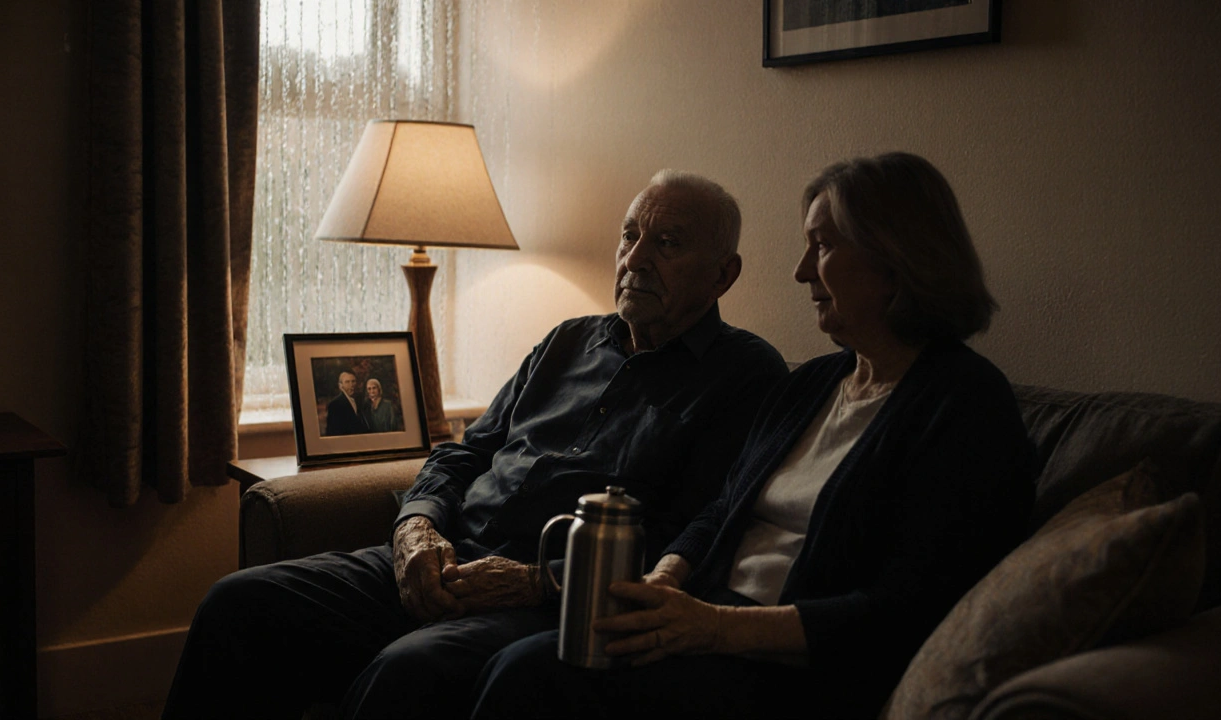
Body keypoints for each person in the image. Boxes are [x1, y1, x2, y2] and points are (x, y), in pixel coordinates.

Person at [162, 170, 788, 719]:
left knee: (407, 674)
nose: (636, 259)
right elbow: (465, 452)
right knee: (239, 603)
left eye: (668, 243)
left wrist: (537, 580)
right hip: (449, 554)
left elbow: (697, 530)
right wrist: (416, 527)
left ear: (724, 274)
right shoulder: (568, 340)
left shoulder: (744, 375)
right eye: (629, 236)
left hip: (547, 599)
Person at [469, 153, 1039, 720]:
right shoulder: (814, 382)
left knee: (530, 676)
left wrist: (713, 627)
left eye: (822, 246)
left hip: (788, 666)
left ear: (896, 258)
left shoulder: (964, 404)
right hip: (704, 620)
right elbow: (720, 512)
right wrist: (664, 581)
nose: (801, 271)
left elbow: (908, 607)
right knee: (523, 661)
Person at [324, 371, 369, 436]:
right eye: (347, 382)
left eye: (353, 381)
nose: (351, 385)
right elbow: (333, 432)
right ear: (340, 385)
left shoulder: (359, 401)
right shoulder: (335, 404)